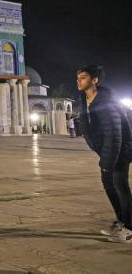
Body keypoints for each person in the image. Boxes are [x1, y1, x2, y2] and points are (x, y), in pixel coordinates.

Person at [77, 65, 132, 244]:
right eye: (78, 77)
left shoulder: (106, 102)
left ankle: (129, 230)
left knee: (120, 187)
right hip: (109, 151)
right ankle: (122, 222)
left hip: (121, 150)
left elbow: (114, 134)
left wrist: (108, 161)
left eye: (83, 77)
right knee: (111, 186)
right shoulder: (85, 100)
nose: (79, 80)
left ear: (95, 80)